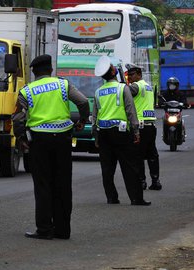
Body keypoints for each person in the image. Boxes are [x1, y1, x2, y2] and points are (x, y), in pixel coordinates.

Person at [12, 55, 89, 240]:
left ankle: (45, 229)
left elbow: (18, 118)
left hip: (39, 142)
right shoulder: (63, 84)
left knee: (43, 185)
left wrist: (21, 138)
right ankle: (63, 230)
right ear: (51, 70)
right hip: (63, 140)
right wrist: (82, 120)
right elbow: (83, 102)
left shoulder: (26, 91)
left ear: (34, 72)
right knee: (63, 184)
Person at [92, 56, 150, 206]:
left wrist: (96, 137)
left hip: (104, 133)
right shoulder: (122, 88)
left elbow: (95, 116)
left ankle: (111, 198)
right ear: (113, 71)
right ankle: (136, 198)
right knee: (130, 166)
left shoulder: (98, 92)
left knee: (107, 168)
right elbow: (131, 111)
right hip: (121, 133)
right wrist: (136, 132)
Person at [126, 63, 161, 191]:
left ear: (139, 74)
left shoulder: (136, 86)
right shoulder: (148, 86)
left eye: (132, 74)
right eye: (128, 75)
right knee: (152, 154)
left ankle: (141, 181)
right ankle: (155, 181)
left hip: (140, 127)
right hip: (151, 125)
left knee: (138, 155)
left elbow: (125, 92)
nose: (130, 77)